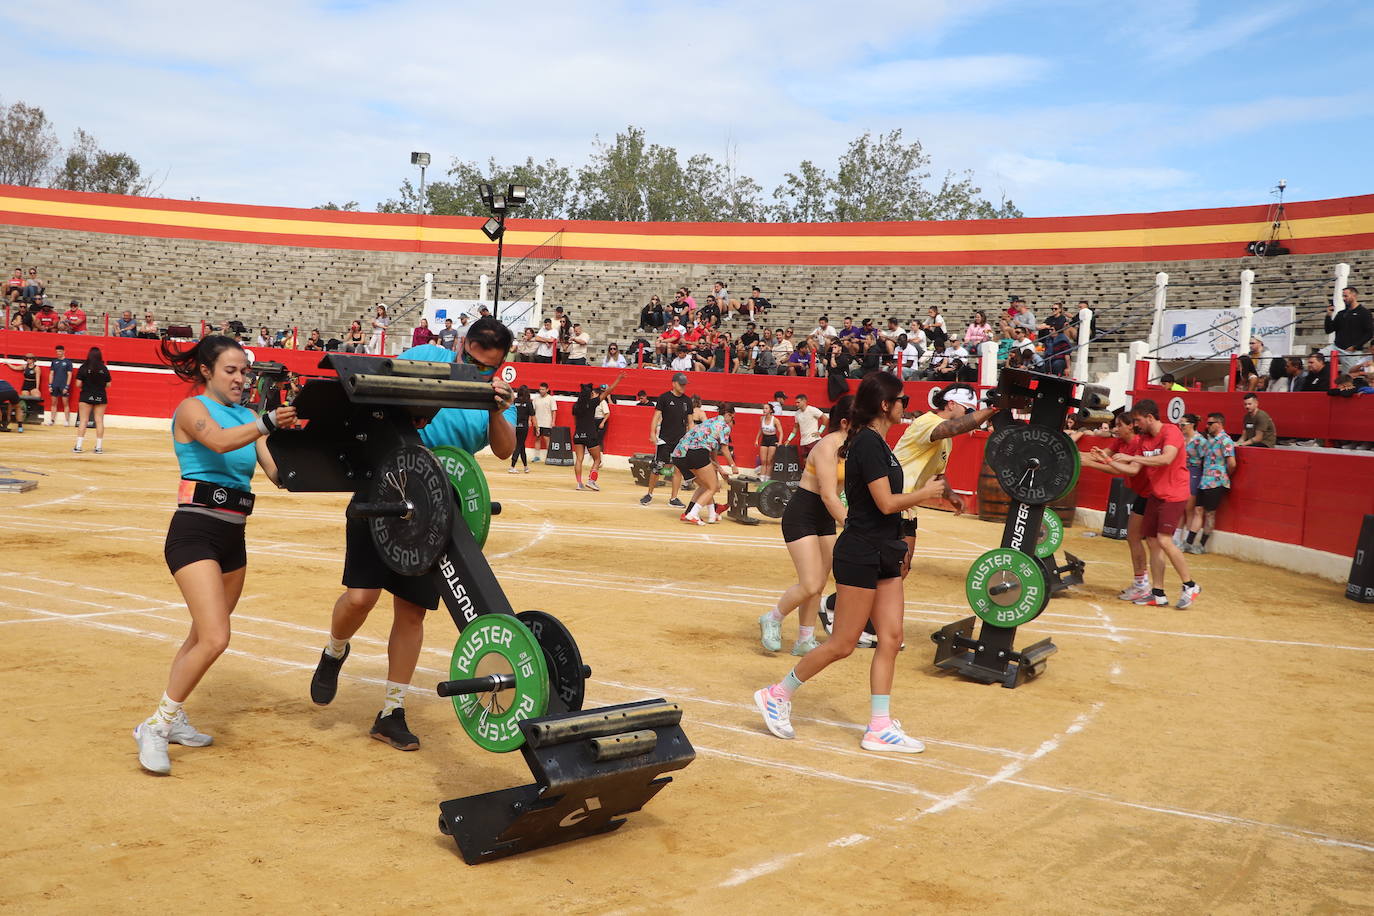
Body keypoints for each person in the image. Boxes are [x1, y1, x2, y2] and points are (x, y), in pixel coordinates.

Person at [308, 316, 515, 752]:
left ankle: (391, 712)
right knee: (361, 598)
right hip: (383, 484)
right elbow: (376, 398)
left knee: (411, 613)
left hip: (435, 506)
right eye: (471, 361)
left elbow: (504, 449)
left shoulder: (495, 394)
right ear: (460, 345)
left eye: (486, 368)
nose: (477, 372)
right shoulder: (424, 357)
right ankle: (334, 650)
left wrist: (494, 405)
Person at [131, 335, 298, 774]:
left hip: (233, 540)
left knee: (199, 636)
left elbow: (278, 475)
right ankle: (155, 725)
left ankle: (175, 714)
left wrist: (308, 446)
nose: (241, 378)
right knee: (216, 638)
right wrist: (268, 423)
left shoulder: (247, 416)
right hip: (194, 534)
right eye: (231, 370)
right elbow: (221, 443)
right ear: (207, 370)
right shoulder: (193, 410)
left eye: (245, 371)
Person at [755, 372, 943, 753]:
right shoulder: (869, 445)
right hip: (861, 551)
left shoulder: (880, 445)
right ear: (886, 405)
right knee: (842, 643)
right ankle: (777, 694)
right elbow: (886, 503)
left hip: (884, 549)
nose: (908, 406)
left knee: (891, 638)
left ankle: (878, 726)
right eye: (902, 400)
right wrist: (925, 494)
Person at [759, 394, 854, 655]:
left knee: (819, 582)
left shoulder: (851, 447)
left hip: (824, 516)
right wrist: (850, 523)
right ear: (846, 422)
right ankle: (773, 617)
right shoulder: (827, 446)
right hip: (803, 513)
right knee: (810, 583)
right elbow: (827, 494)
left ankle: (804, 638)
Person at [1094, 399, 1199, 609]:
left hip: (1174, 494)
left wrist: (1135, 458)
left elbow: (1166, 458)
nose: (1135, 425)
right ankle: (1158, 593)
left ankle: (1190, 585)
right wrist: (1107, 461)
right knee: (1152, 541)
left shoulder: (1171, 432)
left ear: (1149, 417)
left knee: (1163, 540)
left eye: (1137, 420)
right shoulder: (1144, 440)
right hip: (1156, 494)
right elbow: (1132, 470)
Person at [1076, 409, 1154, 601]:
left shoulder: (1137, 443)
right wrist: (1076, 455)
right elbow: (1102, 456)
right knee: (1134, 537)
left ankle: (1145, 586)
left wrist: (1087, 463)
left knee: (1146, 540)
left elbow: (1116, 468)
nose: (1116, 429)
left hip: (1151, 493)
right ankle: (1141, 583)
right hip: (1143, 493)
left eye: (1119, 425)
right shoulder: (1121, 441)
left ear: (1131, 426)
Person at [671, 405, 737, 526]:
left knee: (705, 485)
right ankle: (692, 514)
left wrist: (720, 469)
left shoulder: (708, 422)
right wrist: (733, 465)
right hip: (697, 453)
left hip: (680, 454)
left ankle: (711, 515)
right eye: (732, 418)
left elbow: (711, 458)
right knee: (713, 487)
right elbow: (725, 449)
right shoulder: (724, 427)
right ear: (728, 415)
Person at [1183, 412, 1236, 555]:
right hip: (1204, 481)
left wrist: (1222, 476)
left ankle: (1201, 545)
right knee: (1198, 510)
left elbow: (1232, 463)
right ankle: (1188, 543)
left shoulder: (1226, 440)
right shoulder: (1211, 440)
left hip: (1216, 481)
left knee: (1210, 513)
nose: (1207, 426)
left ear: (1219, 424)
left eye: (1210, 423)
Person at [640, 373, 692, 508]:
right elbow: (656, 417)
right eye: (681, 384)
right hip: (664, 439)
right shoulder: (664, 398)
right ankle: (649, 494)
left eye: (684, 384)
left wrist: (691, 438)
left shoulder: (687, 401)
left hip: (680, 441)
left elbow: (690, 422)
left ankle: (673, 498)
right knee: (657, 467)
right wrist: (652, 433)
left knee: (678, 469)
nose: (683, 387)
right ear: (673, 383)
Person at [572, 377, 622, 490]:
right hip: (590, 434)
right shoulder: (592, 403)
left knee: (579, 459)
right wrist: (618, 379)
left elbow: (575, 421)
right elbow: (608, 391)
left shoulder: (575, 406)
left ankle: (579, 483)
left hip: (578, 434)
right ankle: (591, 481)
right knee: (597, 459)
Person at [72, 347, 112, 454]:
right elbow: (108, 384)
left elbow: (78, 384)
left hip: (86, 395)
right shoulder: (104, 368)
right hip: (100, 395)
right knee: (99, 420)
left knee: (83, 421)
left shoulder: (84, 367)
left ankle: (79, 446)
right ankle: (99, 447)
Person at [1325, 287, 1373, 373]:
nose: (1344, 299)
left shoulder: (1364, 313)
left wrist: (1355, 346)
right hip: (1336, 347)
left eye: (1346, 296)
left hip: (1352, 351)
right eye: (1343, 296)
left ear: (1354, 295)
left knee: (1348, 377)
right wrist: (1328, 315)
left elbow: (1369, 333)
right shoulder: (1341, 313)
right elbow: (1329, 330)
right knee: (1317, 358)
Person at [788, 393, 827, 460]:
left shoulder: (812, 410)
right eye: (796, 402)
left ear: (804, 401)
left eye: (798, 402)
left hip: (813, 440)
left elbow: (825, 419)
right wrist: (789, 439)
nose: (796, 404)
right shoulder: (797, 413)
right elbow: (795, 427)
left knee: (815, 461)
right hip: (803, 442)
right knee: (805, 462)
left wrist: (820, 431)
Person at [48, 344, 74, 425]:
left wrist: (67, 386)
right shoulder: (54, 362)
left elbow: (70, 375)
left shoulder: (68, 362)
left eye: (60, 351)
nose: (58, 353)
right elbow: (51, 374)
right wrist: (50, 385)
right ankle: (52, 420)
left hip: (63, 385)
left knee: (65, 403)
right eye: (57, 352)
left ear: (63, 351)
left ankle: (66, 421)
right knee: (53, 403)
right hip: (55, 385)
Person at [531, 381, 556, 463]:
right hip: (537, 422)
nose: (541, 391)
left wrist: (553, 422)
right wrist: (530, 420)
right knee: (537, 438)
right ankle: (537, 456)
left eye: (543, 389)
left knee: (546, 439)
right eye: (540, 389)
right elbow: (532, 411)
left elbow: (554, 411)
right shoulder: (536, 399)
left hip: (546, 422)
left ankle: (549, 457)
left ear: (547, 390)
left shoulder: (551, 399)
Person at [509, 385, 533, 474]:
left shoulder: (515, 401)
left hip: (515, 425)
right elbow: (532, 415)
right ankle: (512, 466)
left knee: (521, 446)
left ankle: (525, 466)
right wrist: (537, 427)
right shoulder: (528, 402)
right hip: (523, 426)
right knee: (519, 445)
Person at [756, 402, 780, 479]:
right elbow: (760, 429)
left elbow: (781, 431)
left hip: (773, 439)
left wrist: (780, 442)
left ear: (770, 410)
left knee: (769, 460)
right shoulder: (761, 418)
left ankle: (767, 478)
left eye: (766, 408)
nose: (764, 410)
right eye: (764, 408)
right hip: (764, 438)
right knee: (763, 460)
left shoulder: (775, 420)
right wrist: (756, 439)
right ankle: (762, 479)